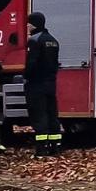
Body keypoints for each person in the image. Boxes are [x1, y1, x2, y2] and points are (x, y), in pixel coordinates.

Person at [24, 12, 63, 157]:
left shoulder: (34, 40)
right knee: (52, 114)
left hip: (36, 84)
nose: (27, 25)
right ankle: (55, 146)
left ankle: (42, 148)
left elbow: (31, 64)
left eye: (28, 23)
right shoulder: (53, 40)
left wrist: (26, 77)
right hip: (50, 83)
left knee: (39, 115)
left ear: (34, 24)